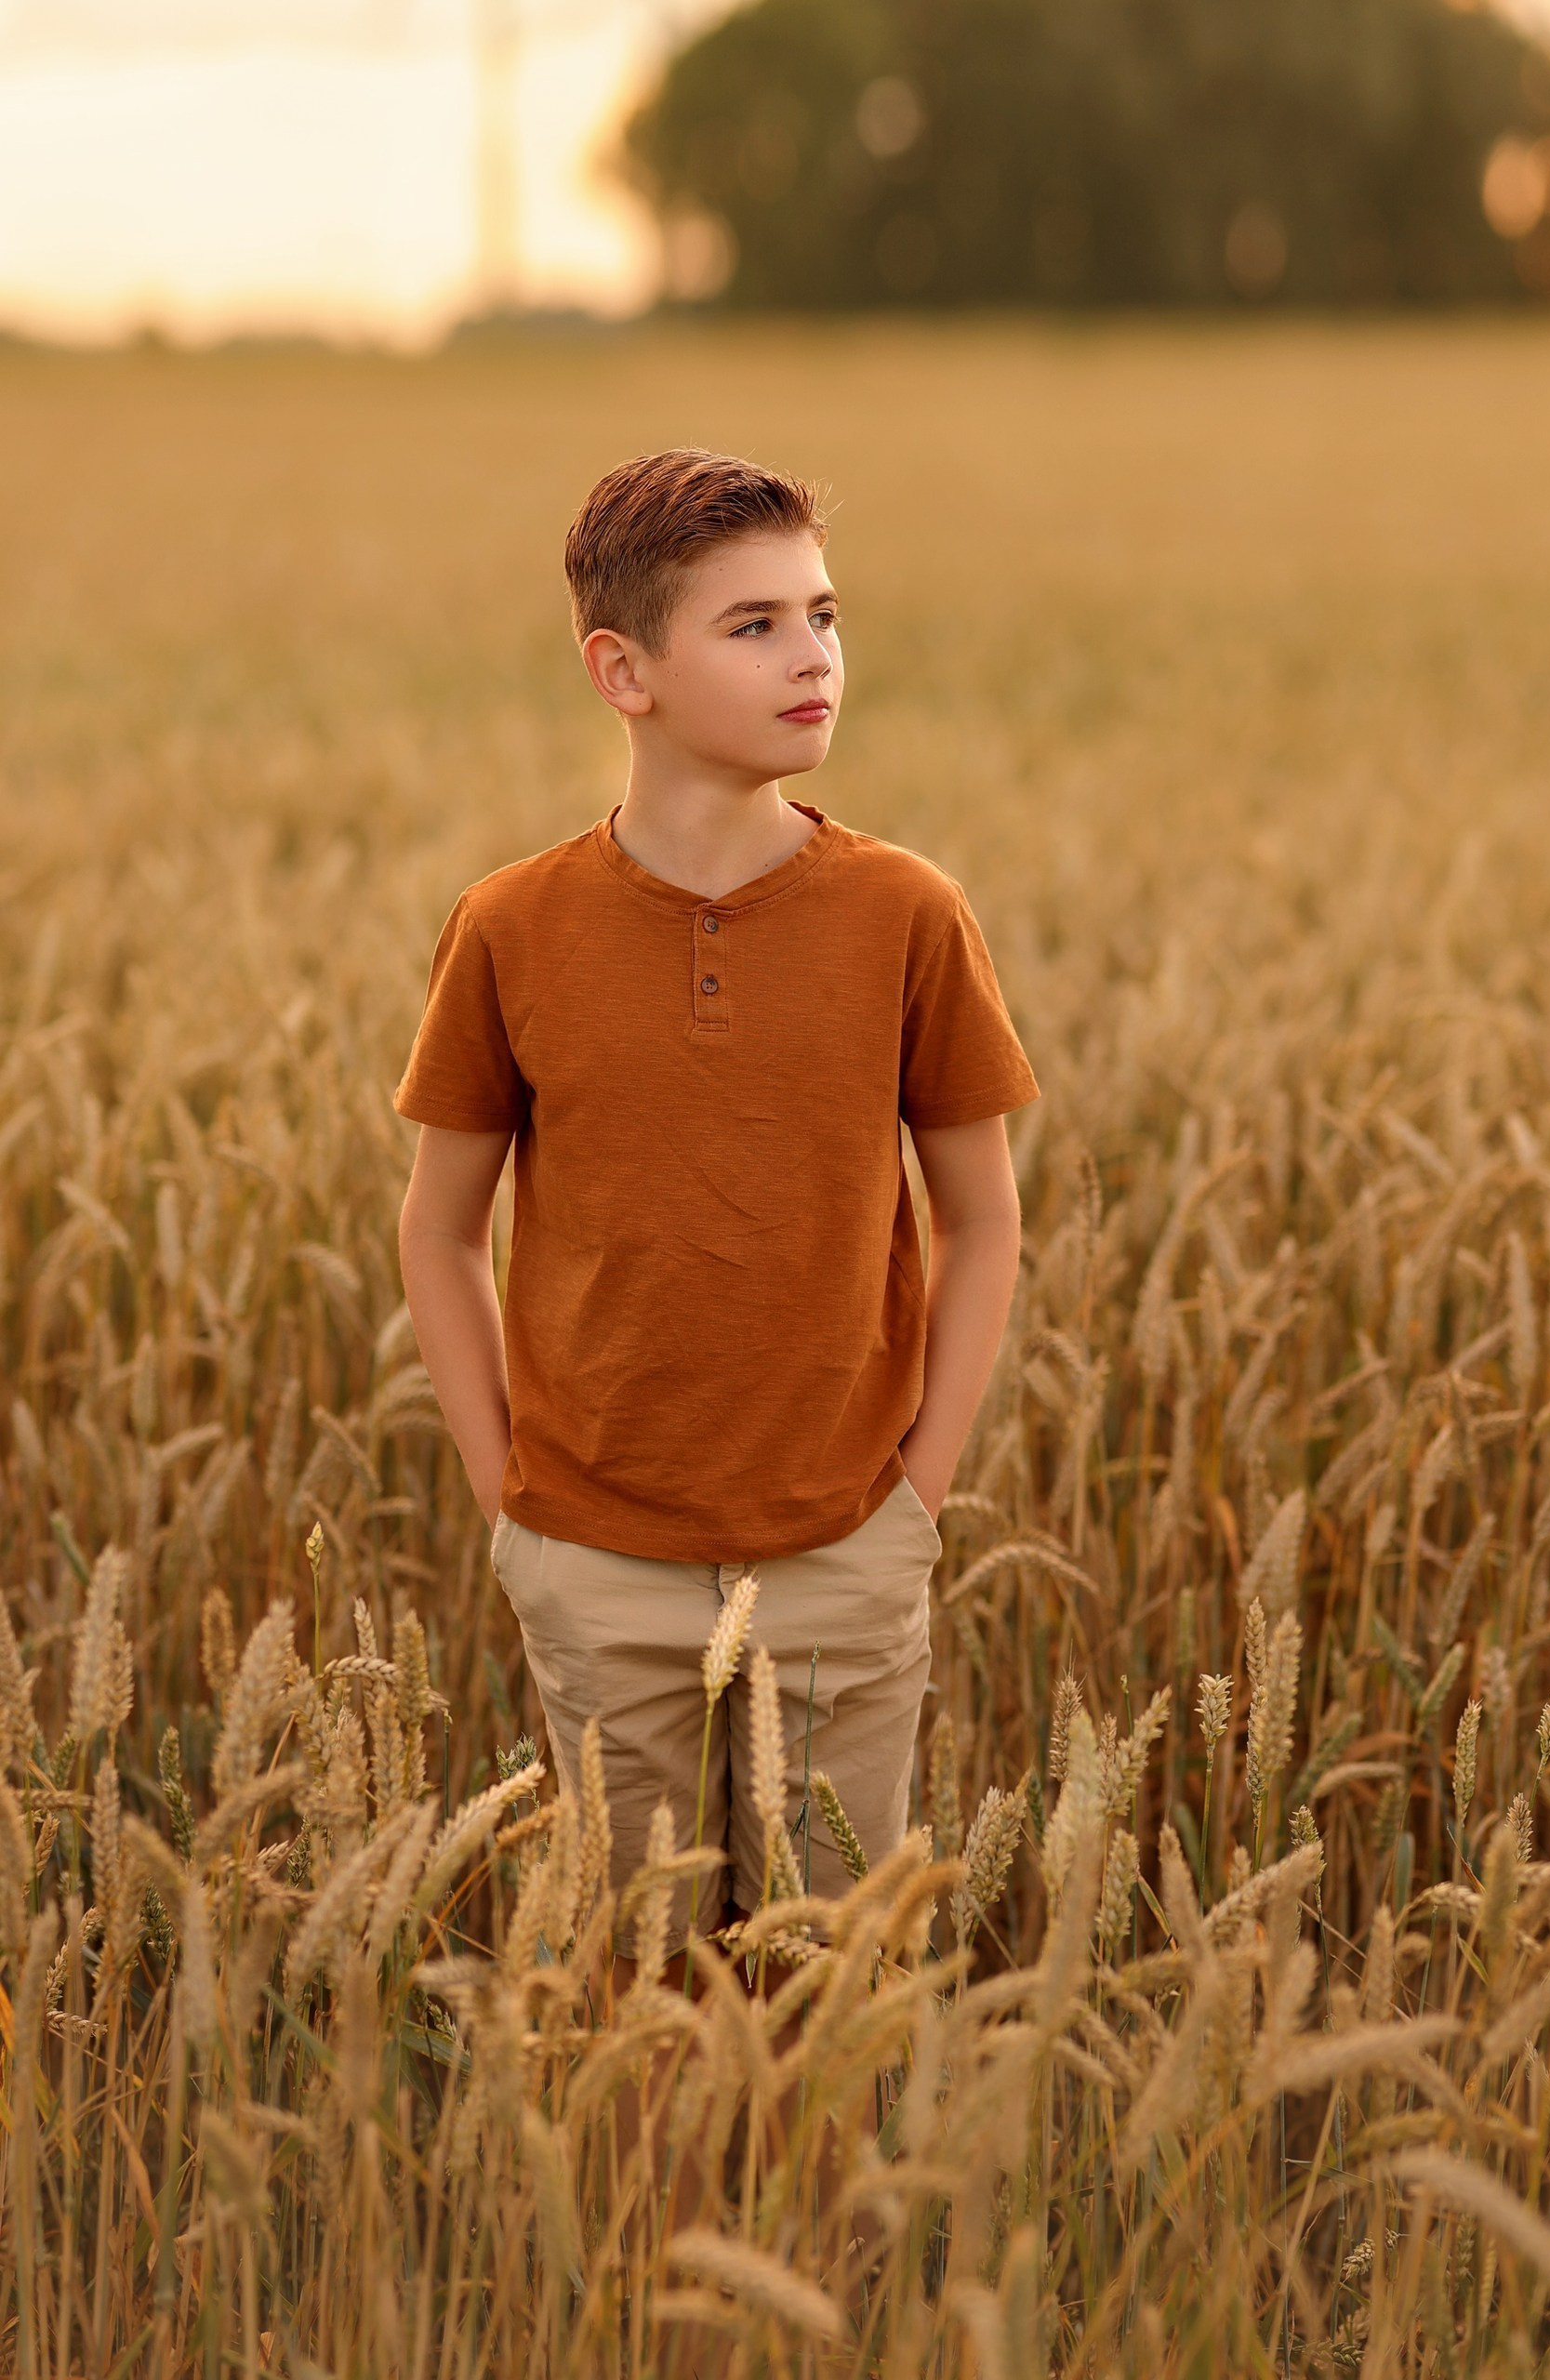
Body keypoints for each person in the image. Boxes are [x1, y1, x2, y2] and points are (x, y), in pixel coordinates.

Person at [393, 447, 1038, 1960]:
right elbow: (439, 1229)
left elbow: (985, 1218)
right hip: (599, 1559)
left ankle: (823, 2219)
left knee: (835, 2001)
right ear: (622, 669)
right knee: (636, 1998)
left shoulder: (906, 916)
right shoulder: (511, 928)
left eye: (822, 613)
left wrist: (915, 1497)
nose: (812, 654)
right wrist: (515, 1507)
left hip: (841, 1551)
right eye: (752, 626)